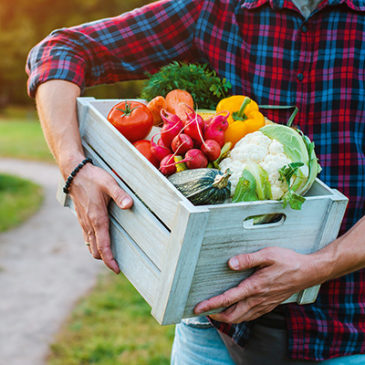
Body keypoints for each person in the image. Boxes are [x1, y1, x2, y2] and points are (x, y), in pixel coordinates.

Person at [26, 0, 365, 363]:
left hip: (345, 331)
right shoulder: (215, 9)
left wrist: (320, 266)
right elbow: (59, 50)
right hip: (213, 329)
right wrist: (73, 168)